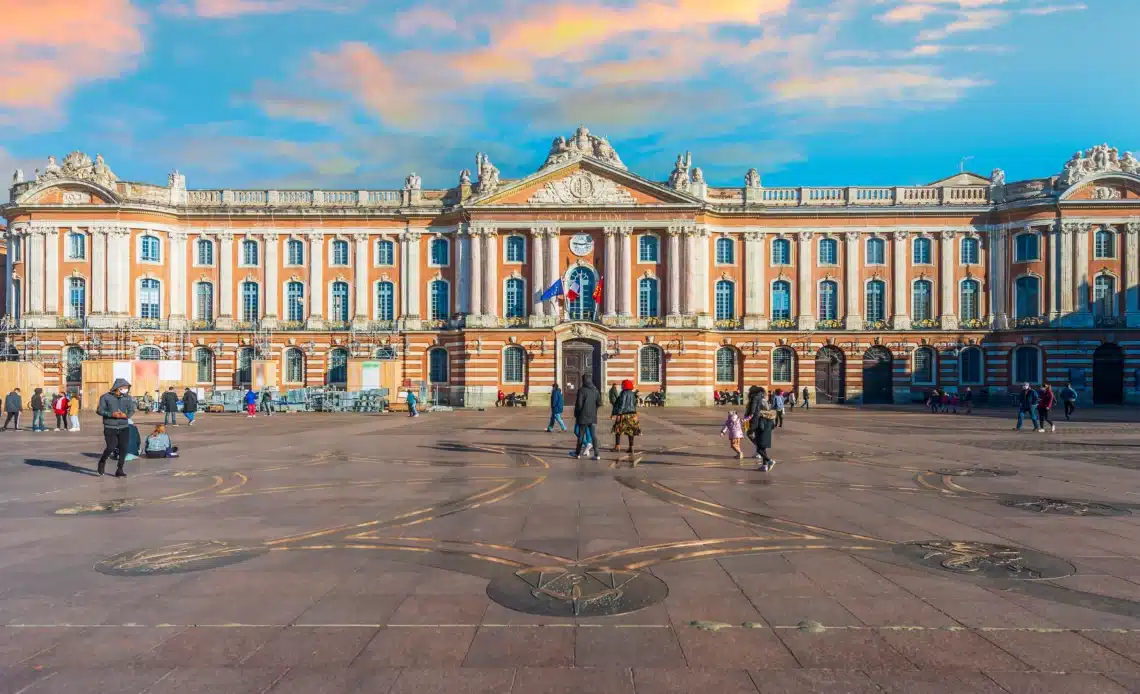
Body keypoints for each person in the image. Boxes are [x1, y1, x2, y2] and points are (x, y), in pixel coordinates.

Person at [95, 378, 136, 477]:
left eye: (127, 388)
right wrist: (111, 414)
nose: (126, 389)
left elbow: (132, 410)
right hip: (110, 427)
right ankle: (102, 461)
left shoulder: (128, 398)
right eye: (124, 387)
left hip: (124, 427)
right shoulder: (105, 397)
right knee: (111, 447)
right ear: (118, 387)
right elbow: (99, 410)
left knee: (123, 448)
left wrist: (126, 415)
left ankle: (120, 469)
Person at [743, 385, 777, 471]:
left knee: (754, 439)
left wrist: (750, 416)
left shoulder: (759, 400)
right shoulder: (760, 398)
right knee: (761, 446)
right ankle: (764, 465)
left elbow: (763, 410)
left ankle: (768, 461)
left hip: (761, 423)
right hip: (762, 423)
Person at [572, 374, 602, 460]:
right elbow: (599, 403)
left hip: (582, 417)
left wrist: (576, 413)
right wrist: (594, 409)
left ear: (583, 381)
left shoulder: (581, 390)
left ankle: (577, 454)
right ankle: (597, 454)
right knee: (594, 436)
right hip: (592, 416)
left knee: (581, 435)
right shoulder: (595, 390)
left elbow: (579, 405)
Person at [612, 379, 641, 454]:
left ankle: (617, 446)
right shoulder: (632, 393)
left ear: (625, 385)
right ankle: (631, 447)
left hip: (624, 415)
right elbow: (634, 404)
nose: (621, 386)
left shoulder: (623, 393)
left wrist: (618, 414)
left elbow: (622, 404)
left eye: (622, 385)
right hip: (632, 414)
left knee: (617, 429)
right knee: (631, 431)